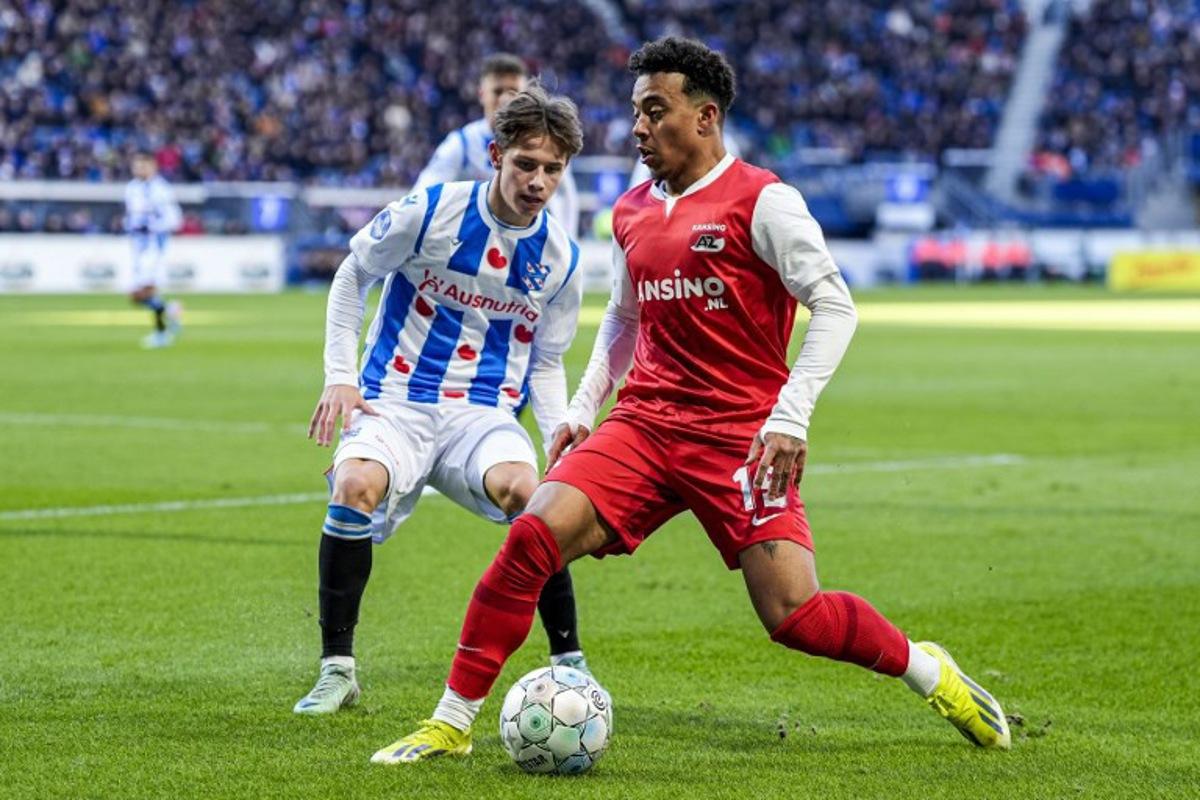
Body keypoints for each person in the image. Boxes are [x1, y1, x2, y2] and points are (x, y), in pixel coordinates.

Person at [374, 37, 1011, 764]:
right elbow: (623, 319)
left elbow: (835, 307)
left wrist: (790, 416)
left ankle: (928, 671)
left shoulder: (764, 201)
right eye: (636, 112)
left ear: (705, 117)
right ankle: (451, 723)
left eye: (655, 111)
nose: (638, 128)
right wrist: (582, 408)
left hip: (740, 436)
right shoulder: (632, 210)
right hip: (644, 424)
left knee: (795, 615)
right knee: (531, 539)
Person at [294, 85, 596, 716]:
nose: (538, 182)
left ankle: (571, 665)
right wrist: (339, 375)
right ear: (496, 155)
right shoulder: (430, 210)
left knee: (532, 496)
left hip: (482, 413)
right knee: (354, 485)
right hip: (394, 398)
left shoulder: (562, 260)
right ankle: (337, 670)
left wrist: (559, 430)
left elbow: (545, 360)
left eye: (552, 170)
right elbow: (353, 273)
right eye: (526, 164)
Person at [415, 53, 580, 240]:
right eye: (498, 91)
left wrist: (569, 240)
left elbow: (566, 196)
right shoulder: (462, 144)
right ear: (482, 94)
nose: (505, 99)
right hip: (469, 242)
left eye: (513, 91)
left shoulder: (545, 144)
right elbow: (422, 195)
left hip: (524, 243)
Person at [124, 151, 182, 348]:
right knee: (135, 295)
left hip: (154, 246)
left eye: (143, 165)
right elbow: (132, 215)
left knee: (147, 289)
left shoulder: (161, 189)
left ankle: (161, 333)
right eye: (136, 165)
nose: (139, 169)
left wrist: (153, 226)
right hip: (137, 245)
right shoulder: (131, 188)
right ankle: (170, 309)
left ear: (153, 166)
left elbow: (174, 219)